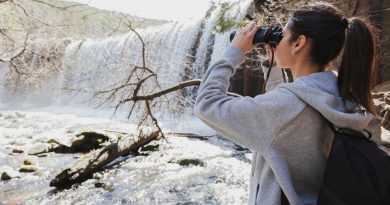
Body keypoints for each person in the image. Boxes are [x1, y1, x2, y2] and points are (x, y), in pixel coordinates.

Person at [194, 2, 379, 205]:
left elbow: (206, 104)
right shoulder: (340, 96)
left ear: (298, 42)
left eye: (282, 35)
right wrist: (274, 69)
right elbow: (285, 119)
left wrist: (234, 52)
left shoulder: (286, 109)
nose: (278, 41)